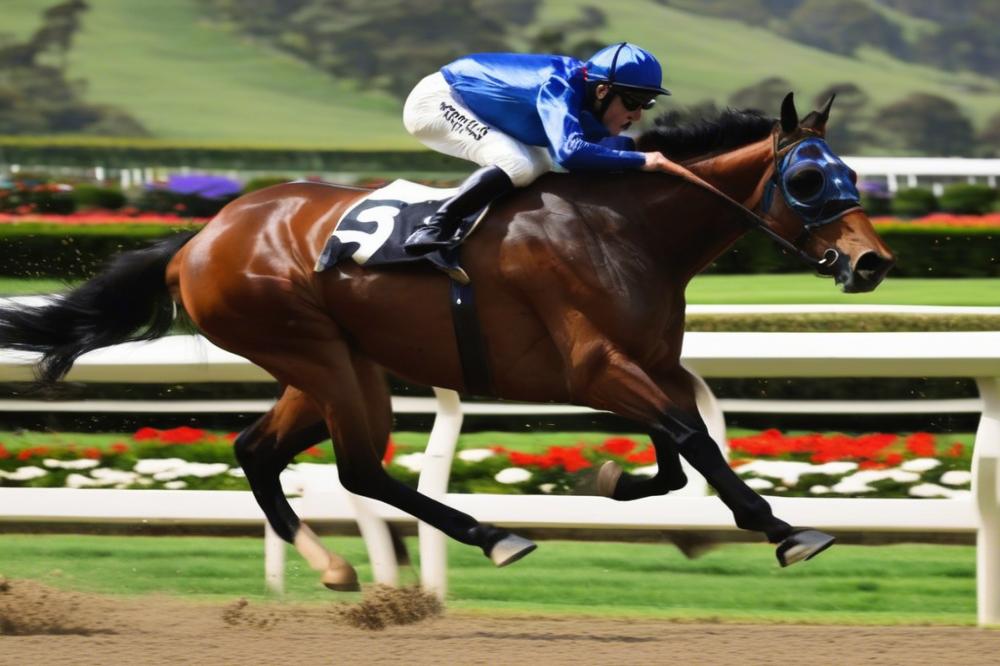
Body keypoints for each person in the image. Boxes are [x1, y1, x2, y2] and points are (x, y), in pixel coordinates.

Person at [401, 42, 679, 255]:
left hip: (474, 105)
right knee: (517, 165)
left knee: (540, 165)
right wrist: (642, 160)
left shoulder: (589, 98)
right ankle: (435, 227)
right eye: (633, 101)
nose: (638, 115)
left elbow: (608, 151)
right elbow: (570, 153)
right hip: (437, 101)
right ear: (602, 91)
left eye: (647, 104)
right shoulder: (560, 86)